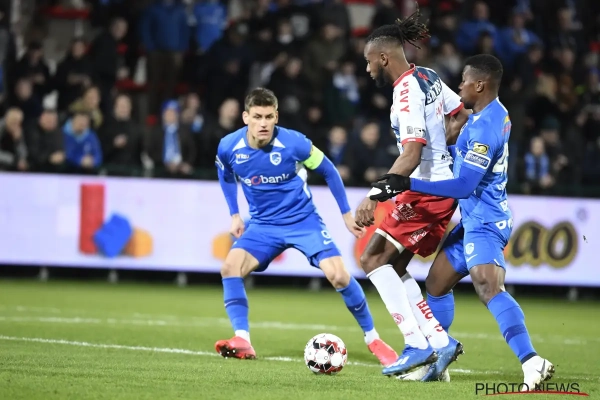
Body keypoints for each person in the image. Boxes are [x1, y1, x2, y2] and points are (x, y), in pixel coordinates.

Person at [368, 54, 555, 389]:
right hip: (471, 220)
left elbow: (464, 186)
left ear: (479, 85)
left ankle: (531, 361)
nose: (460, 86)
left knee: (488, 286)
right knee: (436, 285)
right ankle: (440, 357)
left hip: (486, 221)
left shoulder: (484, 128)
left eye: (464, 81)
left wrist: (409, 182)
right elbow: (464, 162)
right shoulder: (489, 114)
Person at [214, 87, 398, 366]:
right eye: (257, 117)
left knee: (338, 276)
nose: (263, 123)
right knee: (230, 268)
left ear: (276, 117)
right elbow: (225, 174)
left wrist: (346, 214)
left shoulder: (295, 143)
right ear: (245, 117)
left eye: (269, 117)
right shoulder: (229, 147)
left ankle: (373, 339)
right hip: (263, 225)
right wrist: (234, 214)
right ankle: (242, 339)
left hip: (303, 221)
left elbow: (328, 170)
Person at [354, 6, 471, 379]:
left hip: (425, 190)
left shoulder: (405, 92)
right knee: (395, 266)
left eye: (369, 61)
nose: (367, 68)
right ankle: (439, 341)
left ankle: (415, 343)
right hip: (440, 187)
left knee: (372, 259)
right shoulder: (428, 75)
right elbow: (460, 115)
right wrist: (442, 148)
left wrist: (374, 195)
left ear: (383, 58)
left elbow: (411, 154)